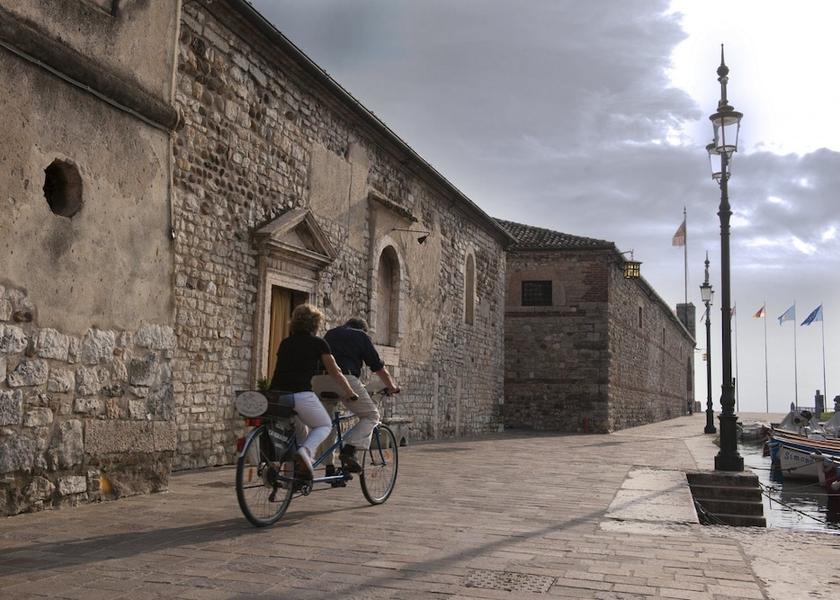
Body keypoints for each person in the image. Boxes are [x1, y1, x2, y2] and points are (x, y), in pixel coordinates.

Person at [270, 304, 357, 480]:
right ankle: (306, 452)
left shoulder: (285, 343)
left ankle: (293, 479)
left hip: (277, 395)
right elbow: (335, 372)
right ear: (315, 324)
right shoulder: (318, 343)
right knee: (324, 425)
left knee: (300, 433)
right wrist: (350, 392)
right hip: (300, 394)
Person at [321, 317, 399, 475]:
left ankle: (329, 468)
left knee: (328, 423)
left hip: (319, 380)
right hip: (345, 379)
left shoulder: (331, 333)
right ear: (364, 329)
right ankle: (349, 450)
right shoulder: (361, 336)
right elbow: (377, 367)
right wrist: (392, 387)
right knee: (371, 415)